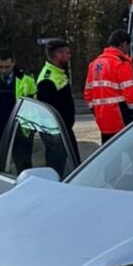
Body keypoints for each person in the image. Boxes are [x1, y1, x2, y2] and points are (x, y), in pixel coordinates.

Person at [84, 30, 133, 143]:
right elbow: (130, 93)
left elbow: (87, 94)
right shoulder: (121, 63)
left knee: (110, 154)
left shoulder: (94, 63)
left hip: (102, 119)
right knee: (131, 151)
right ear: (124, 44)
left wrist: (96, 110)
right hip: (120, 117)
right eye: (128, 46)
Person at [36, 39, 76, 173]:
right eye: (67, 53)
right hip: (56, 134)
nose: (69, 56)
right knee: (58, 169)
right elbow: (46, 112)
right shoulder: (47, 79)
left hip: (63, 130)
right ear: (58, 55)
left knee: (74, 167)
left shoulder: (58, 73)